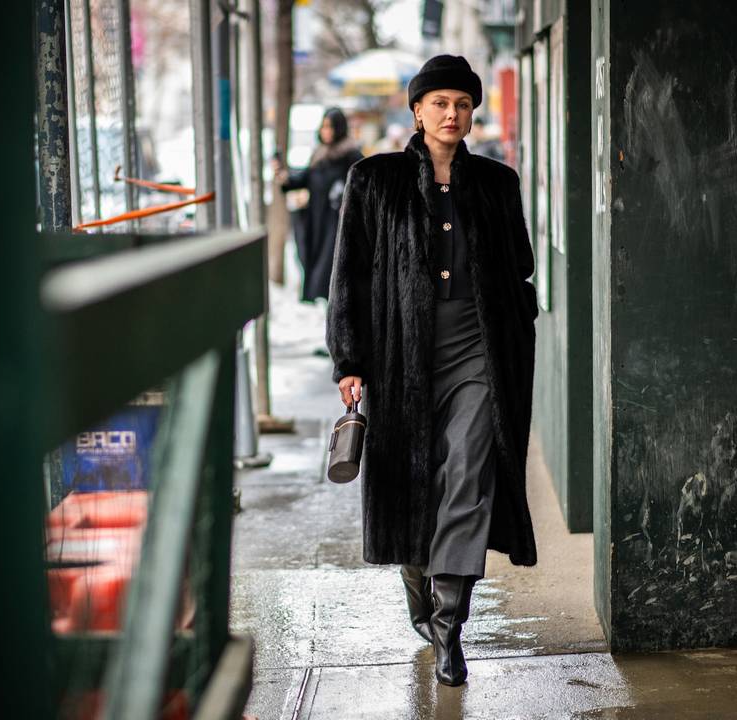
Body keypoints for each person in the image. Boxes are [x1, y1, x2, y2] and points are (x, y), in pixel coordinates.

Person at [325, 55, 539, 687]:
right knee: (414, 481)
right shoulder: (375, 179)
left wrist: (515, 323)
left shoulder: (498, 184)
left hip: (478, 348)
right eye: (440, 103)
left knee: (468, 476)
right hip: (400, 353)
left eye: (463, 104)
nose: (452, 114)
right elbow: (350, 277)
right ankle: (418, 580)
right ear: (416, 111)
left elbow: (519, 266)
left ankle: (450, 629)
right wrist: (350, 359)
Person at [273, 107, 363, 304]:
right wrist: (283, 175)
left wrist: (344, 195)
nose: (326, 131)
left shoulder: (351, 155)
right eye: (323, 127)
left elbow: (364, 184)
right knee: (313, 262)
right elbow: (303, 178)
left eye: (330, 127)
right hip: (316, 219)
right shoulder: (319, 155)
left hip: (337, 221)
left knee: (330, 265)